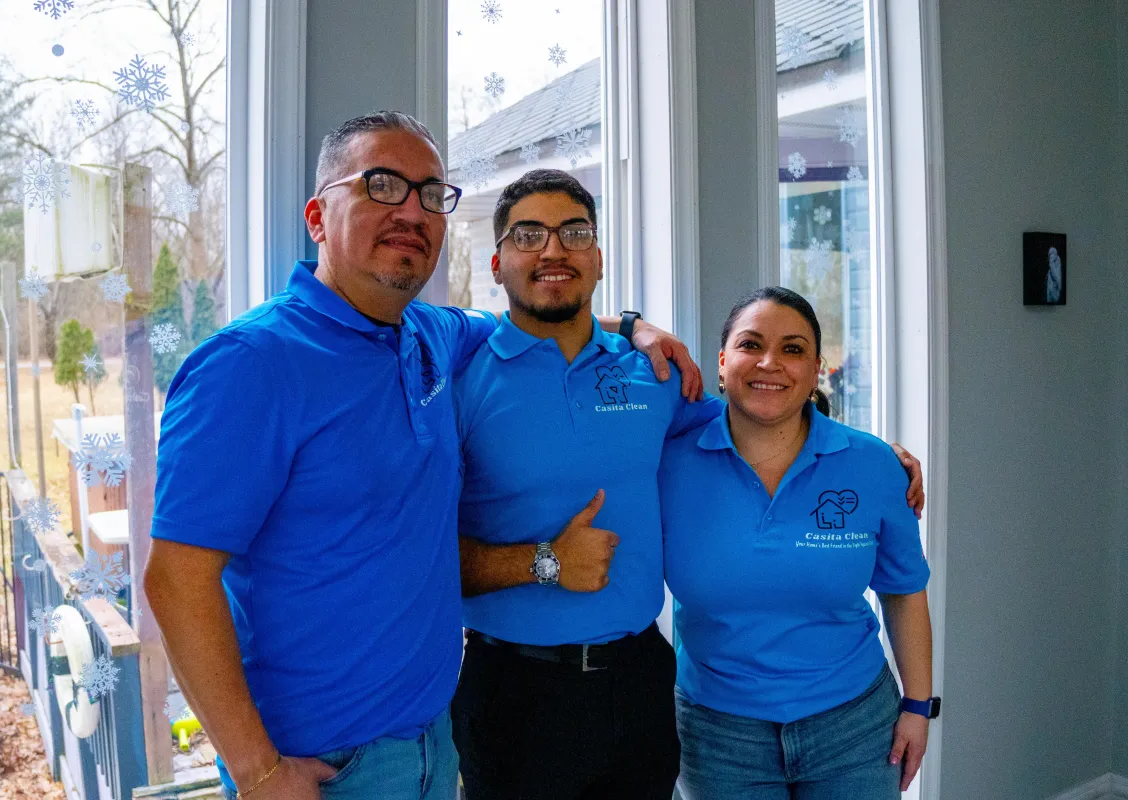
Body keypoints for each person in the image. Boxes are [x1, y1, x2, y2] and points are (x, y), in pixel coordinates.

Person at [142, 113, 698, 800]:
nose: (412, 210)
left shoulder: (430, 337)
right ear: (318, 216)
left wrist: (635, 326)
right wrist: (257, 772)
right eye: (382, 185)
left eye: (431, 194)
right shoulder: (252, 365)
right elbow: (176, 580)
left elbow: (532, 318)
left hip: (433, 742)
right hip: (323, 767)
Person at [449, 172, 926, 799]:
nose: (552, 250)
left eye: (575, 233)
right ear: (497, 261)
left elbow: (763, 412)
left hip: (640, 678)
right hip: (514, 685)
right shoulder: (458, 378)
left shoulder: (656, 379)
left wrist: (873, 456)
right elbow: (416, 552)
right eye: (528, 235)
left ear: (597, 259)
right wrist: (546, 562)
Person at [659, 286, 938, 799]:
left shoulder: (872, 464)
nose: (770, 362)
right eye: (750, 345)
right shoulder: (667, 460)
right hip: (717, 734)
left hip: (854, 726)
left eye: (792, 349)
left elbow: (903, 590)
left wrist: (918, 707)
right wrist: (636, 325)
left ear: (815, 371)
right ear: (722, 364)